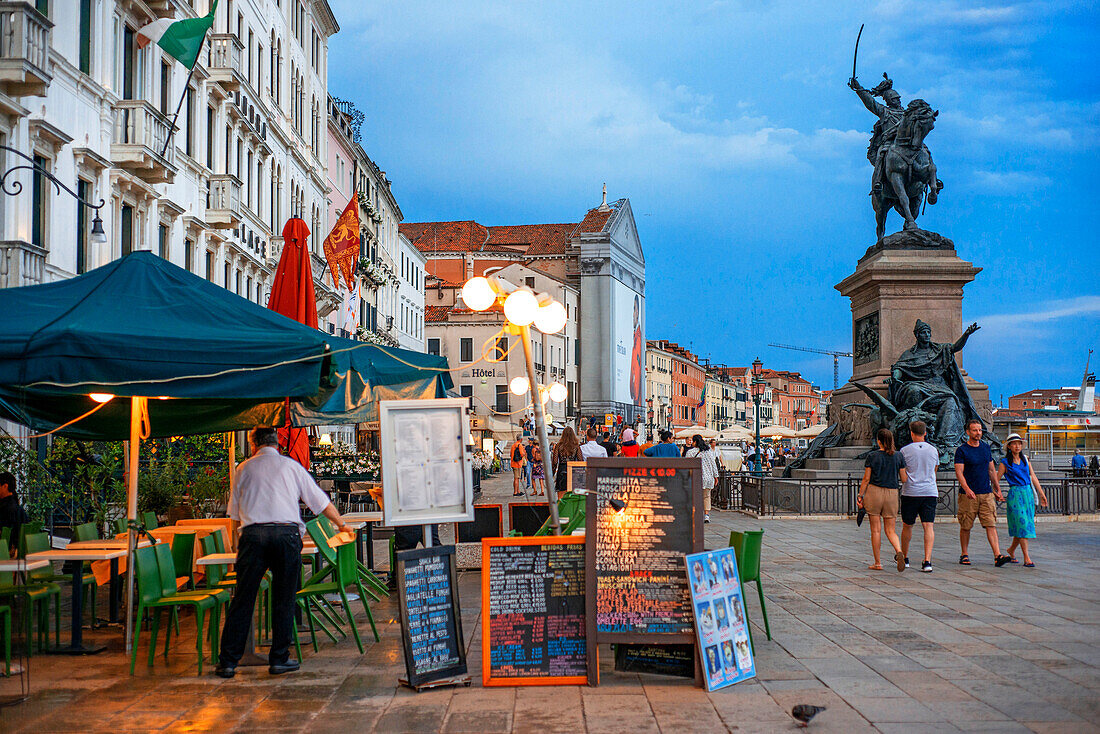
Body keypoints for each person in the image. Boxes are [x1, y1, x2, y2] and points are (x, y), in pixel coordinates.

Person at [217, 426, 353, 678]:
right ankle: (279, 658)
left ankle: (228, 662)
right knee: (284, 596)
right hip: (286, 535)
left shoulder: (243, 468)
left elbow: (234, 514)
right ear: (277, 442)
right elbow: (320, 502)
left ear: (253, 442)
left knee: (243, 599)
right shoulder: (291, 467)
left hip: (253, 535)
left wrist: (237, 543)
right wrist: (341, 524)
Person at [954, 418, 1009, 567]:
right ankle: (964, 554)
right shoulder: (962, 450)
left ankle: (997, 555)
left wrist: (997, 488)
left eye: (979, 430)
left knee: (991, 524)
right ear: (968, 432)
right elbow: (959, 472)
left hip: (986, 493)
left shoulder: (985, 448)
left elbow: (991, 470)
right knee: (966, 525)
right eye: (974, 430)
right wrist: (967, 489)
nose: (978, 433)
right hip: (968, 495)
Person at [858, 428, 906, 571]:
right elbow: (904, 479)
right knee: (891, 530)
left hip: (874, 492)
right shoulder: (899, 456)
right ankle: (898, 550)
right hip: (891, 493)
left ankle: (878, 563)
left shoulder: (872, 456)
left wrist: (860, 495)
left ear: (878, 441)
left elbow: (866, 479)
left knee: (876, 530)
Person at [998, 433, 1047, 567]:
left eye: (1019, 443)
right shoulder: (1005, 463)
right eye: (1014, 443)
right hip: (1015, 494)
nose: (1017, 446)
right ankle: (1026, 557)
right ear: (1009, 446)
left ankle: (1011, 550)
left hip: (1027, 493)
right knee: (1023, 524)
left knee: (1022, 525)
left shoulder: (1025, 459)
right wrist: (997, 492)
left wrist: (1041, 493)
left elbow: (1033, 476)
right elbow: (996, 480)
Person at [898, 420, 939, 572]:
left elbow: (903, 471)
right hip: (929, 491)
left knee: (907, 525)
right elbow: (934, 470)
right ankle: (927, 560)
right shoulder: (933, 450)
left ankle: (906, 557)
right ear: (925, 433)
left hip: (911, 491)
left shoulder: (904, 451)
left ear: (911, 433)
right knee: (928, 526)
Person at [686, 434, 719, 523]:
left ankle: (695, 514)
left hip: (696, 477)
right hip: (708, 478)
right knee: (706, 496)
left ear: (695, 442)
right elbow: (713, 464)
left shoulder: (690, 452)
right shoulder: (708, 452)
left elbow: (687, 466)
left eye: (693, 441)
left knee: (694, 496)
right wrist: (716, 476)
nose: (692, 443)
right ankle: (706, 515)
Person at [0, 471, 29, 556]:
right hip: (17, 552)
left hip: (6, 552)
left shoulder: (6, 509)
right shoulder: (17, 508)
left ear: (5, 486)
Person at [551, 427, 582, 496]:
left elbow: (555, 462)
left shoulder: (558, 446)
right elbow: (580, 460)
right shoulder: (576, 446)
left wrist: (552, 473)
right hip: (573, 470)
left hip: (562, 469)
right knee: (572, 494)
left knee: (561, 494)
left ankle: (560, 506)